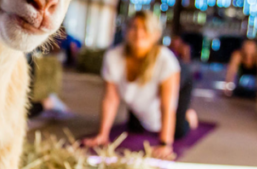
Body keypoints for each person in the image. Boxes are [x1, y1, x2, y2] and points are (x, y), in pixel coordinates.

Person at [83, 11, 198, 160]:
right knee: (136, 127)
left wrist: (164, 144)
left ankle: (188, 115)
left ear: (156, 34)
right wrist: (102, 135)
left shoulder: (166, 61)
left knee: (178, 131)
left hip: (181, 80)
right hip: (139, 92)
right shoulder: (112, 57)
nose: (138, 32)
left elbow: (166, 105)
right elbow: (110, 98)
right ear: (126, 31)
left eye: (145, 28)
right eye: (134, 27)